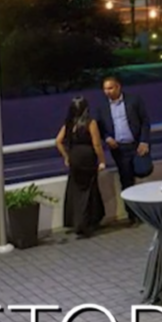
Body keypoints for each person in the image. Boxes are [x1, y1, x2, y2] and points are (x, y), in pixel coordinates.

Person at [95, 76, 152, 210]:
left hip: (137, 146)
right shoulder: (102, 107)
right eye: (105, 89)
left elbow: (145, 121)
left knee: (143, 173)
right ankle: (133, 214)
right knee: (126, 181)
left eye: (110, 88)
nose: (107, 91)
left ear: (118, 87)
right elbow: (100, 127)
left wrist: (144, 141)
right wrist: (107, 138)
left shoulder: (134, 100)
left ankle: (145, 208)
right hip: (119, 150)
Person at [55, 96, 106, 238]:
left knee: (76, 191)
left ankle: (74, 221)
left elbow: (58, 141)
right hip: (87, 157)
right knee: (89, 190)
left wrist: (66, 157)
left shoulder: (69, 124)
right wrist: (102, 160)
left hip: (74, 157)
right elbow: (96, 144)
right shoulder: (90, 123)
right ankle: (86, 223)